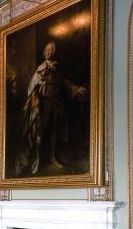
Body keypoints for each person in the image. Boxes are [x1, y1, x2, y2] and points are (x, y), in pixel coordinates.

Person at [15, 41, 86, 176]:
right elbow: (31, 87)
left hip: (53, 104)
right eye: (46, 50)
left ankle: (52, 157)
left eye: (50, 50)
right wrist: (37, 89)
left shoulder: (57, 68)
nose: (48, 52)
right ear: (44, 52)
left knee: (54, 131)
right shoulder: (40, 68)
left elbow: (65, 81)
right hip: (41, 105)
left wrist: (76, 89)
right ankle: (37, 159)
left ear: (54, 51)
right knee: (39, 134)